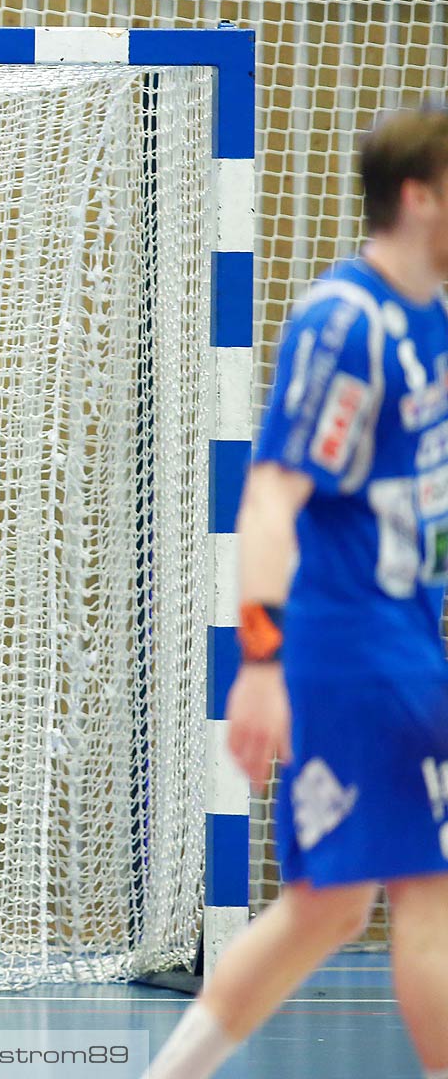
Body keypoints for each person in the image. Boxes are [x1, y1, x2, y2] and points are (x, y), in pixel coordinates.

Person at [146, 105, 448, 1077]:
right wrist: (260, 664)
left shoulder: (427, 321)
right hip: (354, 652)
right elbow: (272, 497)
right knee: (424, 898)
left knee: (329, 906)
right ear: (419, 195)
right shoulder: (343, 322)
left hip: (403, 643)